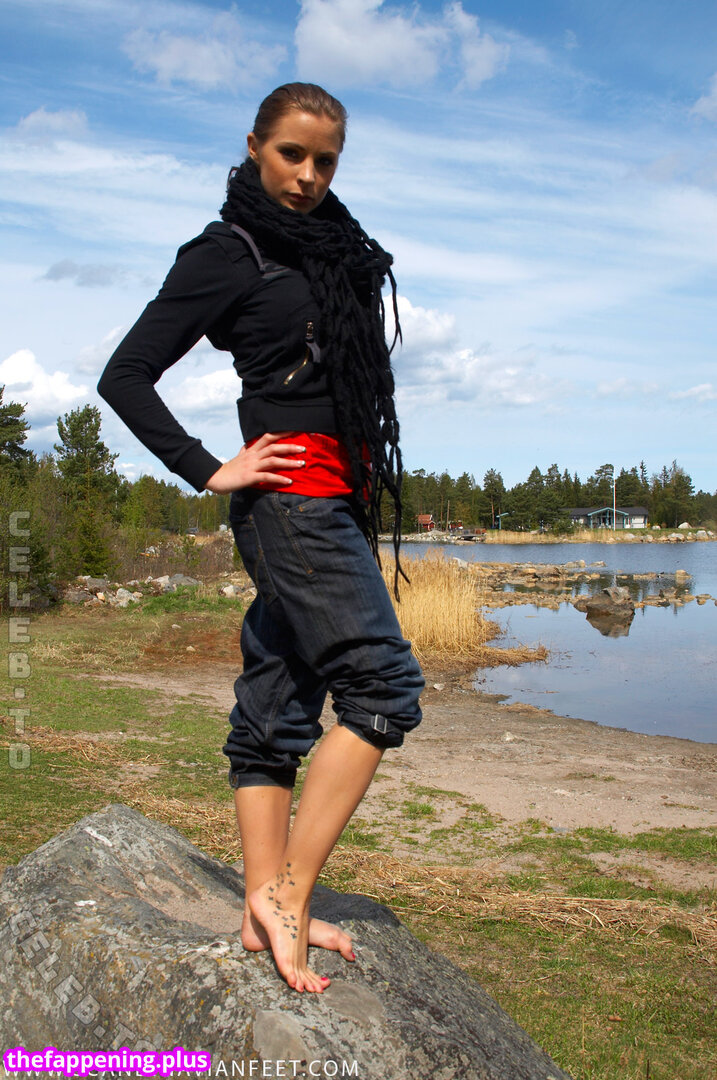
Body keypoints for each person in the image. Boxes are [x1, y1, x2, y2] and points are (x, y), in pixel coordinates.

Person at [97, 82, 423, 994]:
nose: (308, 175)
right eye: (291, 154)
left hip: (335, 498)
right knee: (384, 689)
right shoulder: (225, 252)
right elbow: (125, 375)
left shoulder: (331, 250)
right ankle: (288, 892)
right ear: (253, 146)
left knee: (276, 709)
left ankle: (259, 905)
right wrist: (206, 467)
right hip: (293, 504)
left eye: (326, 161)